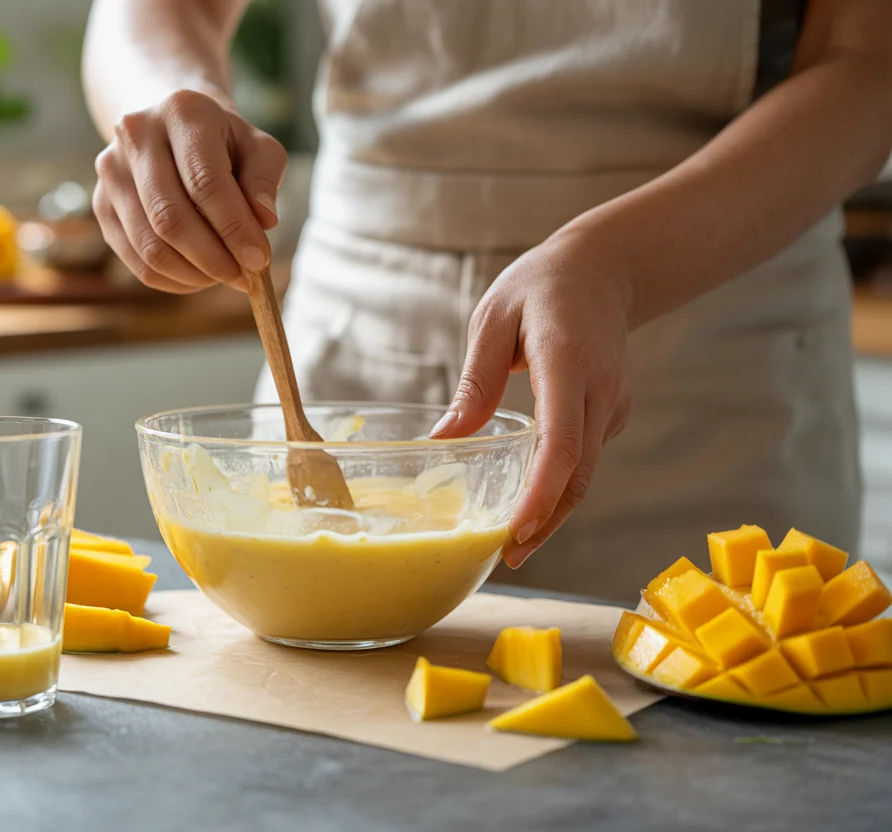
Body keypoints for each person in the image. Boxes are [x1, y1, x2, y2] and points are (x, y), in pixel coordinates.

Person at [82, 0, 892, 600]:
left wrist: (617, 265)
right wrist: (170, 106)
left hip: (711, 335)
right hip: (364, 316)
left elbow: (867, 66)